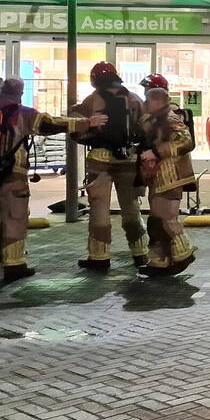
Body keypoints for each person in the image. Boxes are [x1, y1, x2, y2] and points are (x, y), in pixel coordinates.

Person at [0, 78, 105, 282]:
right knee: (14, 217)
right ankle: (14, 264)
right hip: (13, 176)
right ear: (20, 94)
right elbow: (52, 124)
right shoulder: (24, 113)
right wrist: (87, 123)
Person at [70, 62, 147, 271]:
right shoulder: (135, 99)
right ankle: (140, 251)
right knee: (131, 207)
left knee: (99, 208)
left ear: (94, 79)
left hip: (100, 158)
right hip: (129, 159)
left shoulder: (91, 100)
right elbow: (145, 129)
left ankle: (99, 256)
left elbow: (76, 128)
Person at [136, 87, 197, 276]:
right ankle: (159, 261)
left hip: (170, 177)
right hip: (158, 177)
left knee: (166, 220)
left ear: (157, 101)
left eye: (148, 99)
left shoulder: (170, 119)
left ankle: (183, 253)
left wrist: (155, 152)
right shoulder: (153, 120)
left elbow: (187, 142)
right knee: (156, 221)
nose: (145, 104)